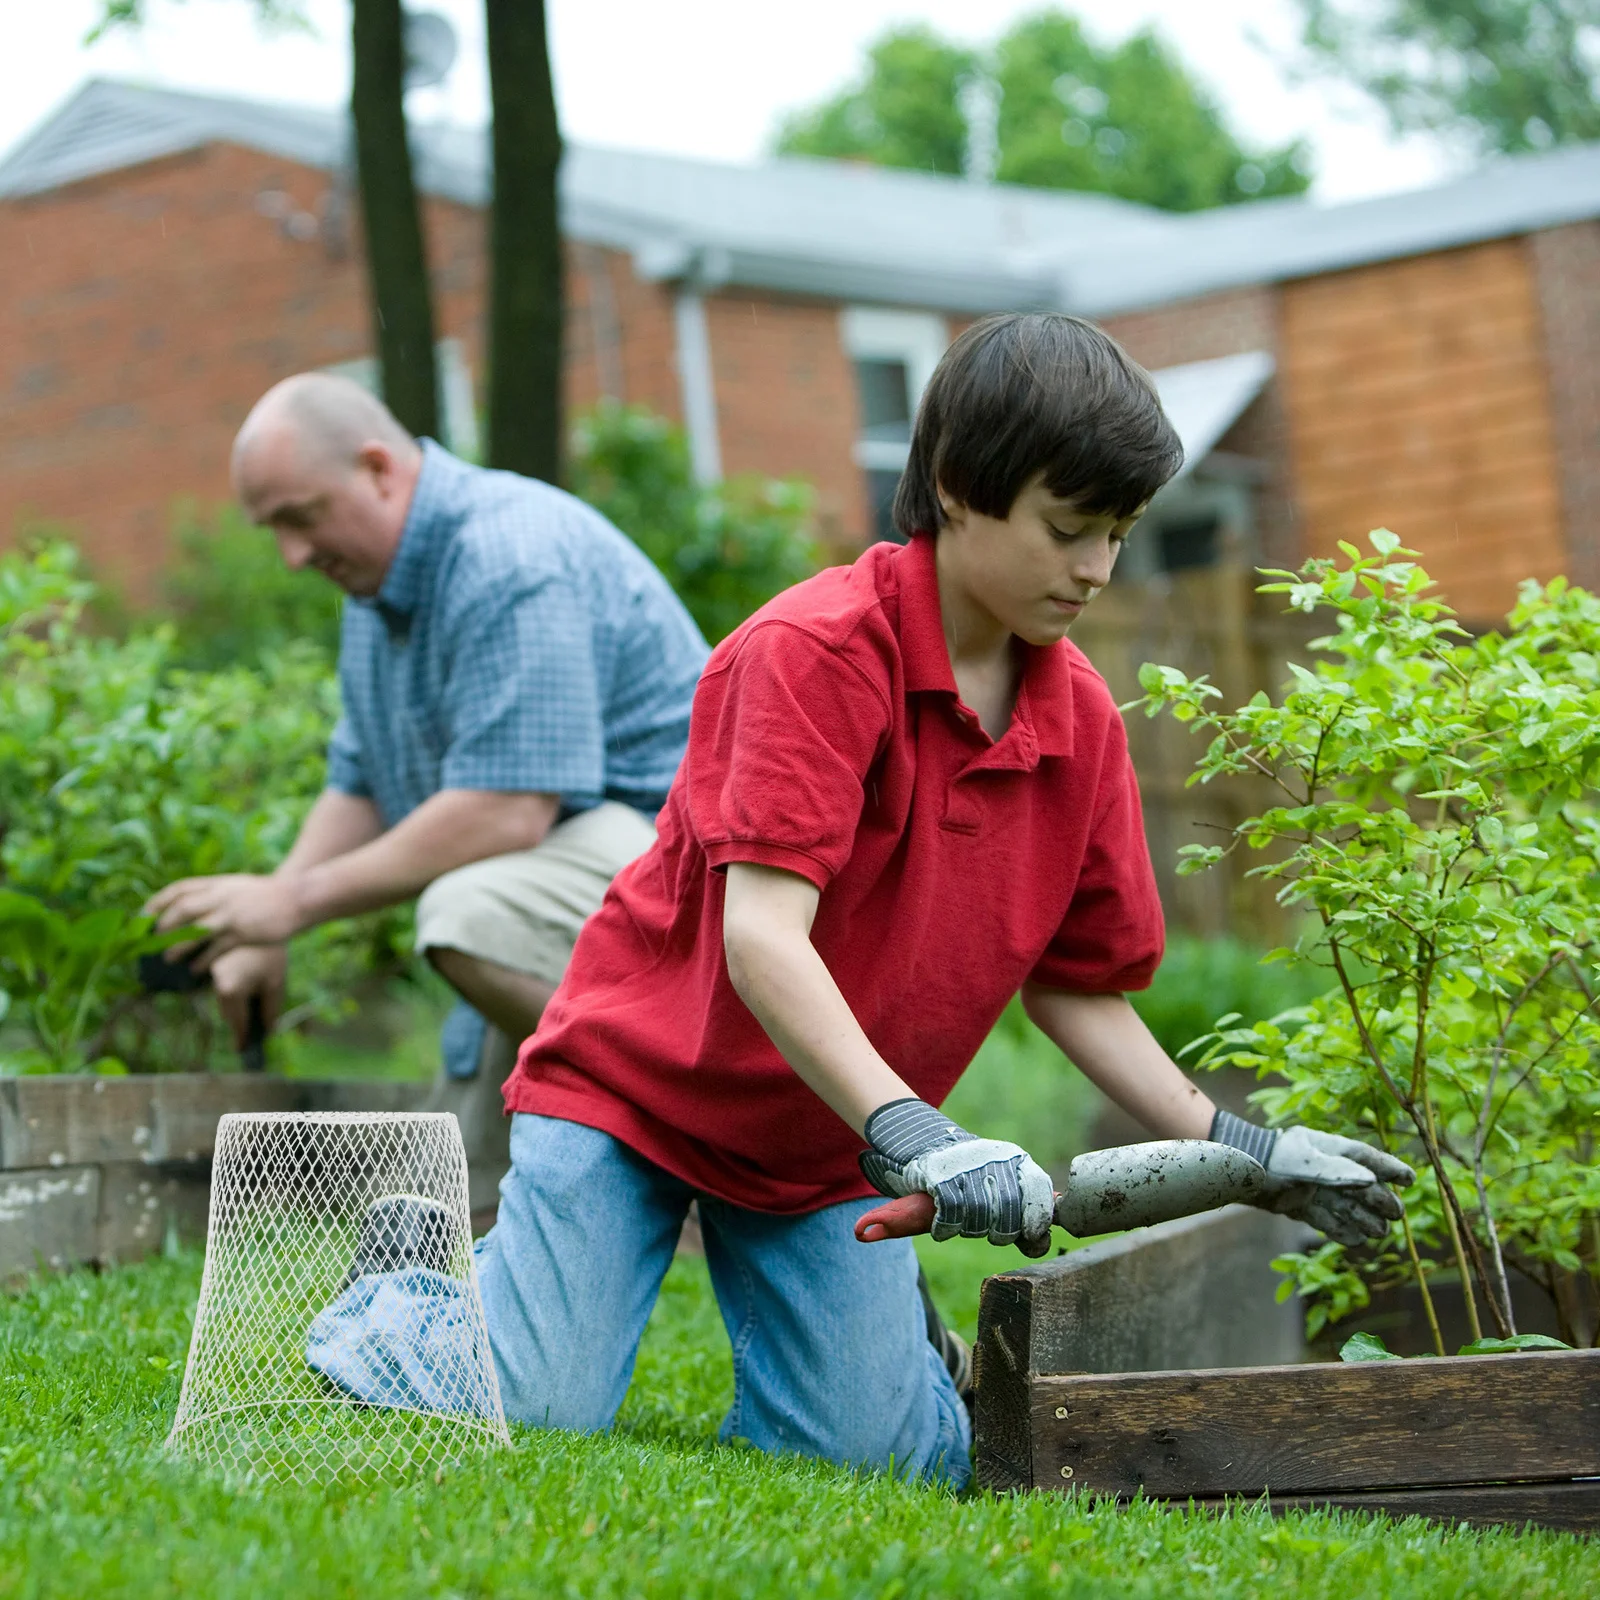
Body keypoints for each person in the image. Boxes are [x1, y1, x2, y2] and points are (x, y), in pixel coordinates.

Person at [307, 316, 1411, 1486]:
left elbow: (1078, 993)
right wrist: (921, 1133)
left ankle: (888, 1358)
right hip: (636, 1095)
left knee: (876, 1459)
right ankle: (407, 1295)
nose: (1097, 568)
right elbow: (762, 939)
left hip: (826, 1142)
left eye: (1118, 535)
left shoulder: (1078, 720)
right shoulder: (813, 653)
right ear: (954, 488)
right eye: (1068, 528)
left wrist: (1252, 1151)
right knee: (532, 1400)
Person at [147, 374, 709, 1141]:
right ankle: (618, 1164)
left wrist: (295, 902)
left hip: (694, 877)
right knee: (457, 1202)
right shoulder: (376, 598)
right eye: (271, 530)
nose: (290, 555)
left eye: (301, 518)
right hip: (571, 888)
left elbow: (507, 811)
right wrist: (266, 922)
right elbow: (362, 782)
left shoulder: (508, 557)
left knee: (468, 913)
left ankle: (709, 1138)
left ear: (378, 469)